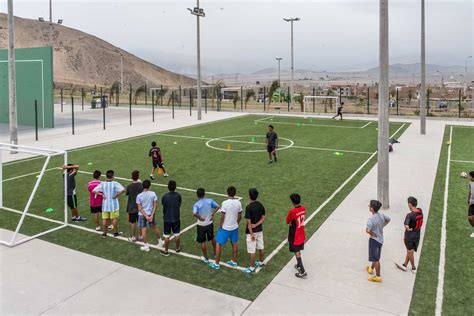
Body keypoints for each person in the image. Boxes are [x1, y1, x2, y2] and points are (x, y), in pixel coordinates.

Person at [209, 186, 242, 269]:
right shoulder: (238, 203)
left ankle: (216, 264)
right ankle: (234, 261)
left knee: (218, 244)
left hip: (225, 228)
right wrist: (236, 223)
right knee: (234, 244)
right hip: (234, 227)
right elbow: (240, 215)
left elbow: (222, 217)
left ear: (227, 193)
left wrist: (220, 226)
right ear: (235, 193)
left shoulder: (225, 203)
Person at [93, 170, 125, 238]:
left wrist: (101, 194)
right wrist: (116, 195)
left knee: (105, 219)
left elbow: (94, 190)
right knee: (114, 218)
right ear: (113, 176)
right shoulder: (115, 183)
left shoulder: (103, 183)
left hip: (105, 205)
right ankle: (115, 233)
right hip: (114, 205)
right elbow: (123, 190)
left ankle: (104, 233)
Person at [396, 197, 423, 273]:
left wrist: (407, 228)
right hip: (417, 235)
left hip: (410, 236)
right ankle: (404, 265)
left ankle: (414, 268)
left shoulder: (409, 215)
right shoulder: (420, 212)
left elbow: (406, 225)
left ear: (410, 204)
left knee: (409, 251)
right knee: (410, 251)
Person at [193, 188, 220, 263]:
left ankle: (206, 258)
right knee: (212, 238)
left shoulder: (196, 204)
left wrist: (200, 218)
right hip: (209, 223)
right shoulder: (210, 200)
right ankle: (215, 253)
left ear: (197, 195)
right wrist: (212, 214)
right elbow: (218, 206)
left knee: (203, 241)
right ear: (204, 194)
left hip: (201, 225)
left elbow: (194, 213)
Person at [366, 200, 391, 282]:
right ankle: (371, 269)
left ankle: (378, 277)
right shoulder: (381, 215)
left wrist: (372, 233)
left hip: (374, 241)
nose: (369, 206)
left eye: (370, 206)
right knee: (375, 256)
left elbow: (367, 230)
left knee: (376, 259)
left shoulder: (371, 219)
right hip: (380, 240)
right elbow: (388, 219)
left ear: (372, 209)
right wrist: (382, 226)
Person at [243, 188, 266, 274]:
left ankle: (251, 268)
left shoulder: (248, 207)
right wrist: (256, 225)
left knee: (252, 250)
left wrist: (251, 233)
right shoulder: (260, 204)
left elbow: (249, 223)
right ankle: (261, 262)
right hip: (259, 230)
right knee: (261, 246)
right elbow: (263, 217)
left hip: (251, 232)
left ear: (249, 196)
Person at [136, 180, 163, 252]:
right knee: (155, 227)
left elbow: (139, 208)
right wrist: (151, 215)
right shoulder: (153, 193)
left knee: (143, 230)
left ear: (142, 186)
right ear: (149, 186)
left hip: (142, 215)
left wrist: (146, 216)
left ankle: (146, 246)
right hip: (151, 214)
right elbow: (155, 205)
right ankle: (160, 242)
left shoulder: (139, 196)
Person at [286, 193, 307, 278]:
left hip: (295, 233)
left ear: (293, 202)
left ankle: (302, 271)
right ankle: (298, 265)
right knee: (298, 249)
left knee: (296, 250)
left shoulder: (292, 211)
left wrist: (291, 222)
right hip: (301, 232)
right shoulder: (303, 209)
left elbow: (287, 221)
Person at [161, 180, 182, 256]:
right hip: (176, 218)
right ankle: (177, 248)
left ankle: (166, 251)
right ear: (175, 187)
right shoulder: (178, 195)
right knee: (177, 234)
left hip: (167, 219)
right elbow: (179, 204)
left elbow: (163, 204)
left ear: (168, 187)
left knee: (166, 236)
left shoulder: (164, 196)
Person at [126, 170, 143, 242]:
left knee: (133, 223)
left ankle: (133, 237)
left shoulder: (129, 186)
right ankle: (141, 236)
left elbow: (127, 193)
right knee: (140, 222)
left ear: (132, 177)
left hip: (132, 207)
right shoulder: (141, 185)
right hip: (140, 207)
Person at [468, 171, 474, 238]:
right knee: (470, 218)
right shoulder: (470, 183)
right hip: (472, 203)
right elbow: (470, 191)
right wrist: (468, 199)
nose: (469, 177)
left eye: (470, 176)